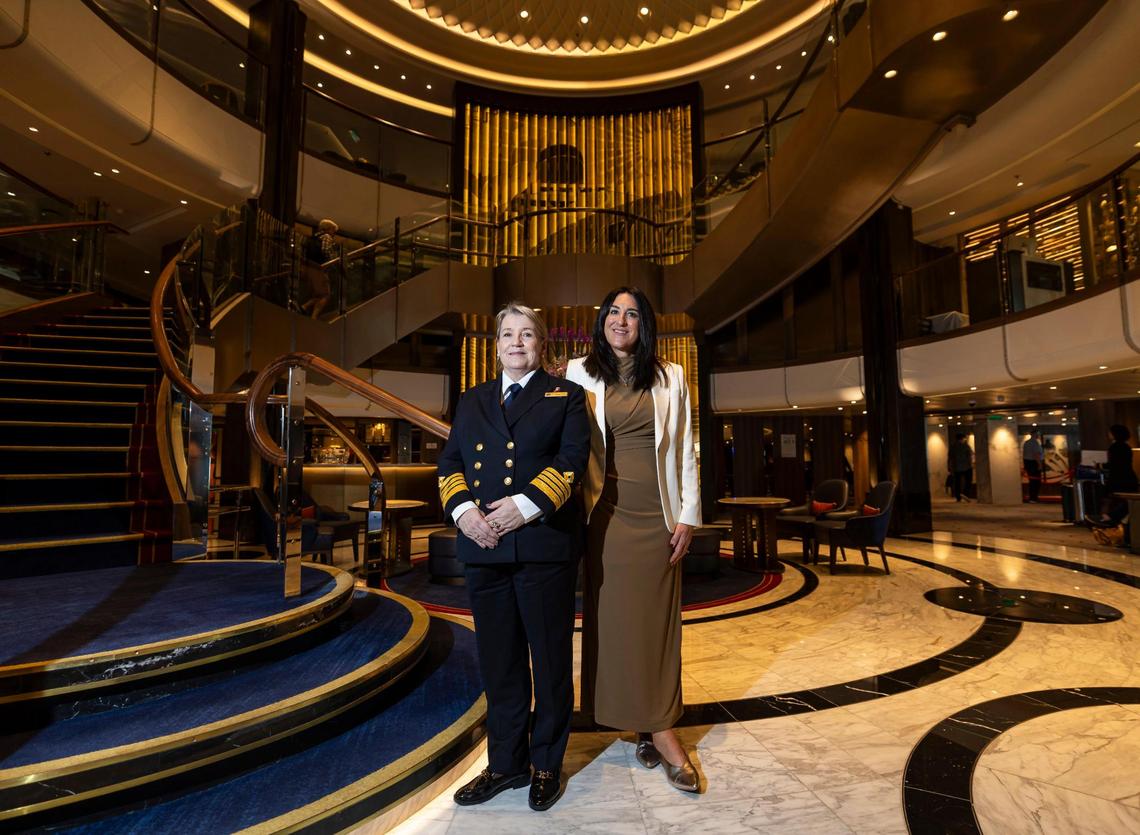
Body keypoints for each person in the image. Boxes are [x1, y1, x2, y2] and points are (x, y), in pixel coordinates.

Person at [437, 301, 589, 812]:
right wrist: (463, 513)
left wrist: (521, 510)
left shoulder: (566, 396)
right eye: (507, 334)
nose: (517, 342)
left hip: (542, 547)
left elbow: (571, 464)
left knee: (547, 663)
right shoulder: (472, 400)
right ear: (496, 345)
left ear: (541, 344)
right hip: (484, 547)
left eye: (527, 334)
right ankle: (505, 764)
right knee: (499, 664)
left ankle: (546, 763)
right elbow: (451, 463)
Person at [567, 286, 701, 794]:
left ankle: (659, 726)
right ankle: (641, 721)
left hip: (660, 515)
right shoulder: (580, 373)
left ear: (644, 324)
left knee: (658, 624)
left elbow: (686, 446)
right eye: (613, 313)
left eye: (633, 314)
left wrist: (688, 514)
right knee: (616, 622)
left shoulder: (671, 376)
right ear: (601, 321)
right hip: (604, 515)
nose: (622, 321)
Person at [300, 219, 337, 319]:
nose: (334, 234)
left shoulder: (313, 237)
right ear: (329, 229)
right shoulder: (327, 237)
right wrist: (335, 262)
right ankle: (311, 314)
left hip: (308, 268)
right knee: (326, 295)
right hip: (319, 269)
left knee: (319, 294)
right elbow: (326, 251)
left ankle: (306, 309)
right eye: (334, 230)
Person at [948, 432, 973, 502]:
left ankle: (958, 497)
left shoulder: (952, 446)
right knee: (968, 481)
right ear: (963, 438)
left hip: (956, 467)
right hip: (967, 466)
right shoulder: (966, 446)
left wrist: (949, 467)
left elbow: (950, 457)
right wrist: (970, 464)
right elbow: (969, 456)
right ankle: (965, 493)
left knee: (957, 482)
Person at [1022, 431, 1044, 502]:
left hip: (1028, 463)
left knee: (1032, 481)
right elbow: (1036, 454)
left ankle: (1032, 497)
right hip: (1034, 464)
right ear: (1035, 434)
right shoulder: (1034, 443)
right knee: (1036, 482)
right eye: (1038, 434)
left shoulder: (1026, 443)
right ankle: (1034, 498)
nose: (1038, 436)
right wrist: (1039, 465)